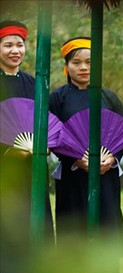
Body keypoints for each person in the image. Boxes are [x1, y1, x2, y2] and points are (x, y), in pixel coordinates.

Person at [48, 37, 123, 273]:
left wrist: (112, 158)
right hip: (73, 180)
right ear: (66, 66)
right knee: (76, 238)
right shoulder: (57, 99)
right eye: (77, 62)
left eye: (89, 63)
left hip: (106, 180)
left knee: (105, 237)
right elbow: (53, 135)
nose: (84, 68)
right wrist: (76, 160)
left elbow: (122, 134)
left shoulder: (109, 97)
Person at [0, 20, 53, 241]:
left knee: (36, 229)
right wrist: (9, 152)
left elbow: (46, 123)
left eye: (19, 45)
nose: (15, 50)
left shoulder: (36, 83)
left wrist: (46, 145)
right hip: (5, 170)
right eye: (8, 45)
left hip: (34, 168)